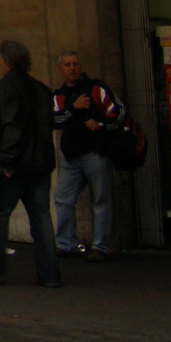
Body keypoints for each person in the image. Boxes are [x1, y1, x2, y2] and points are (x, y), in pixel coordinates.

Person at [0, 40, 60, 288]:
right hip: (40, 163)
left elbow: (12, 126)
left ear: (6, 61)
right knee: (41, 218)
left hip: (16, 165)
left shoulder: (8, 88)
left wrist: (6, 160)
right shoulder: (40, 89)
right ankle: (49, 273)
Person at [52, 49, 126, 262]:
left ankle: (100, 246)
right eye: (67, 65)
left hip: (96, 152)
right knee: (63, 199)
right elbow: (55, 121)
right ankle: (66, 244)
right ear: (61, 70)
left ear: (81, 67)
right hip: (72, 155)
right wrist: (73, 109)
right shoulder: (59, 95)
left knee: (101, 199)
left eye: (75, 64)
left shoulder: (97, 89)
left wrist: (101, 125)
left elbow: (119, 113)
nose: (72, 68)